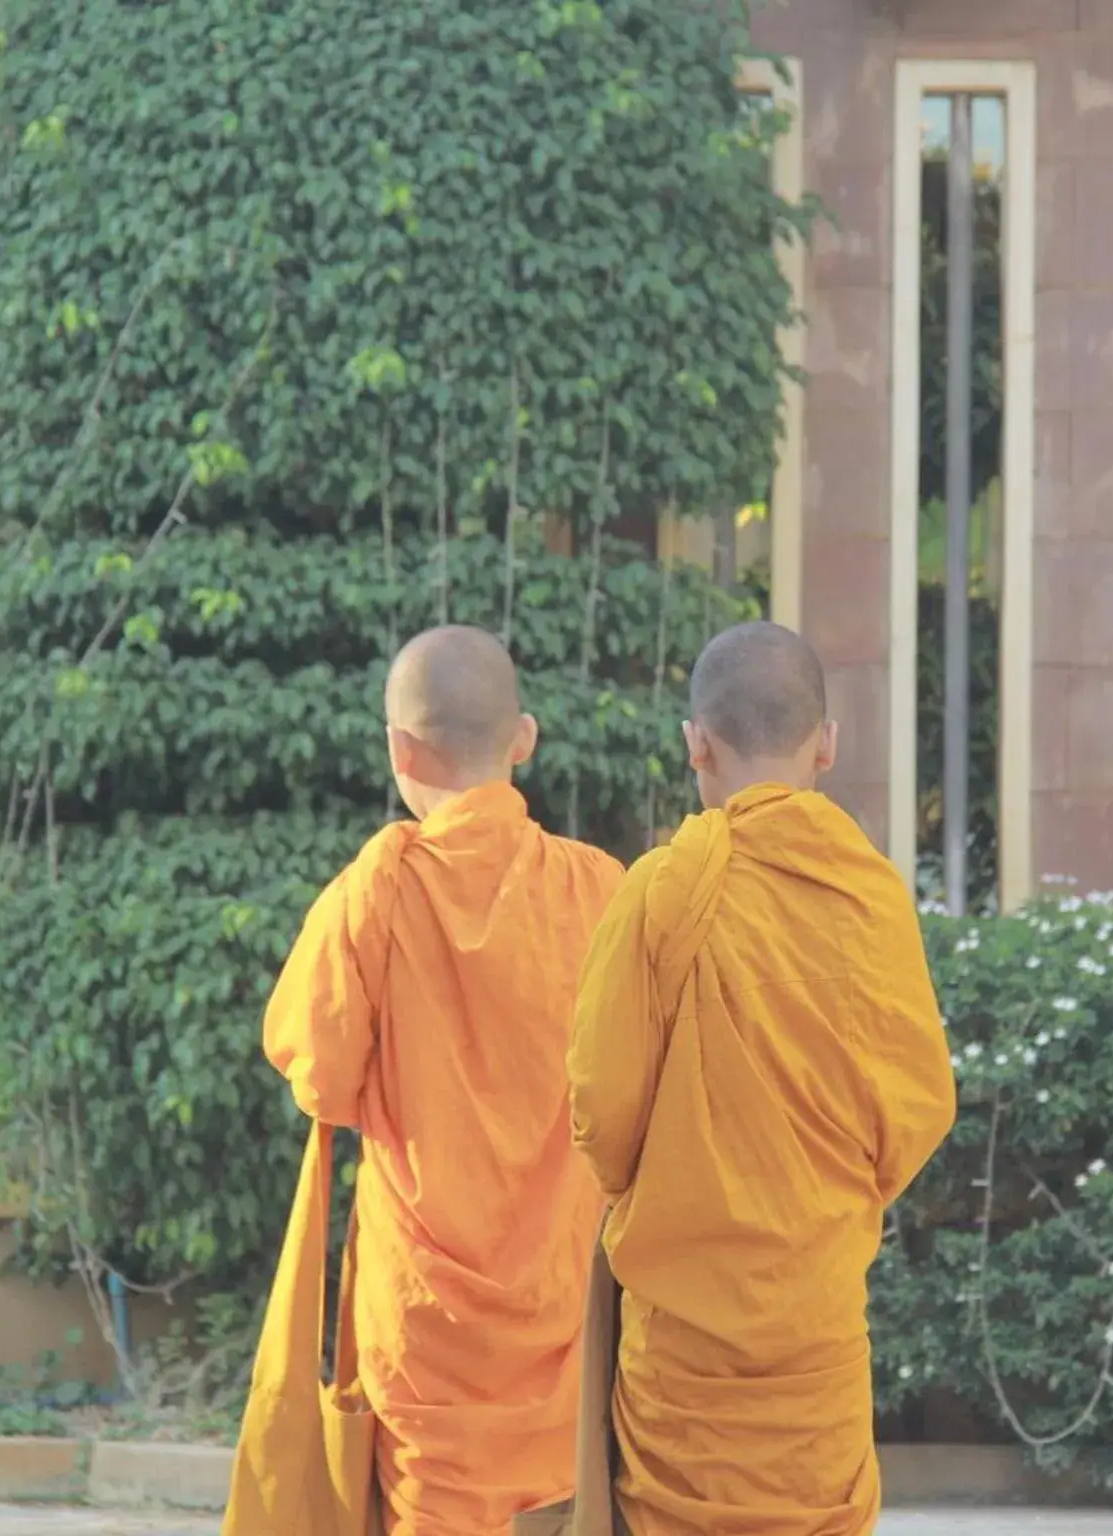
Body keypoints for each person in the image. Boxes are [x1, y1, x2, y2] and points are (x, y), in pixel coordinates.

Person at [567, 620, 958, 1536]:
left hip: (682, 1359)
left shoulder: (661, 892)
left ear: (694, 744)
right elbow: (917, 1109)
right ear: (827, 742)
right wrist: (819, 1207)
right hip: (813, 1329)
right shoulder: (869, 899)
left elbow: (601, 1110)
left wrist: (672, 1195)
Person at [263, 624, 624, 1536]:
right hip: (562, 1302)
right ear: (524, 739)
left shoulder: (373, 894)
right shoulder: (601, 893)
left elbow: (317, 1076)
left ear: (398, 749)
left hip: (427, 1325)